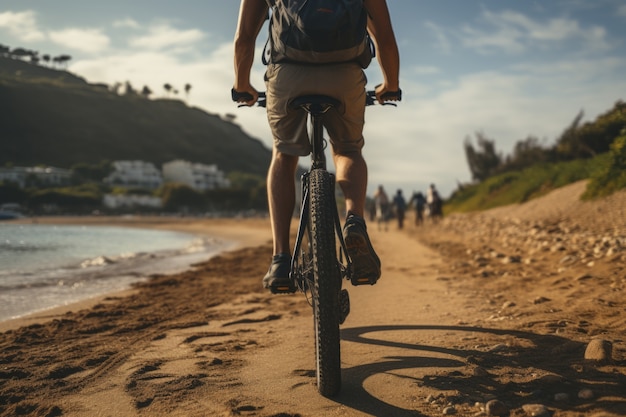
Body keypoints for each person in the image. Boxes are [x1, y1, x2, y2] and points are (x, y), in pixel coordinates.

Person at [233, 0, 401, 292]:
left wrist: (242, 85)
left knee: (283, 154)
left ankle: (281, 259)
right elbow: (384, 37)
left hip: (288, 75)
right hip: (344, 75)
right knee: (348, 150)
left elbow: (244, 39)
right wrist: (391, 85)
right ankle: (354, 220)